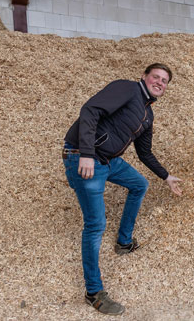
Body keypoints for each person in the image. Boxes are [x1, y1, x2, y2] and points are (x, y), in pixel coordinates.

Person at [62, 63, 182, 315]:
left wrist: (166, 176)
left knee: (140, 184)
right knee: (95, 226)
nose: (160, 82)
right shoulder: (127, 89)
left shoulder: (147, 115)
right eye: (156, 77)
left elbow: (145, 152)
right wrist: (85, 153)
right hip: (84, 158)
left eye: (165, 81)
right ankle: (93, 293)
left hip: (107, 161)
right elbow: (90, 110)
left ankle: (124, 242)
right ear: (144, 77)